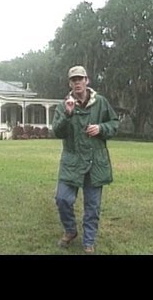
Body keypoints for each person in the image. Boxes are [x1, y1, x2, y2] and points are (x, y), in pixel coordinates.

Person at [52, 65, 119, 254]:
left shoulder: (101, 102)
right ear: (70, 83)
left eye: (80, 79)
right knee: (62, 199)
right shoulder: (63, 105)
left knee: (92, 206)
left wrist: (101, 128)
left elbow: (114, 123)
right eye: (73, 80)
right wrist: (68, 114)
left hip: (95, 162)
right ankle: (70, 230)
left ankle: (89, 241)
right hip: (72, 161)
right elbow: (57, 132)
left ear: (87, 80)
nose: (77, 82)